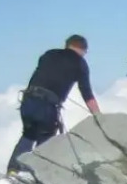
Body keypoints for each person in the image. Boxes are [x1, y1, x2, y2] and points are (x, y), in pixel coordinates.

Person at [7, 36, 101, 175]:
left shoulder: (49, 54)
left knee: (28, 134)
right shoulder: (80, 63)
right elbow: (86, 93)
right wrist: (98, 116)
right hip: (47, 105)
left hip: (28, 100)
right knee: (46, 141)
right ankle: (37, 175)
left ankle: (13, 170)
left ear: (67, 45)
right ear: (83, 50)